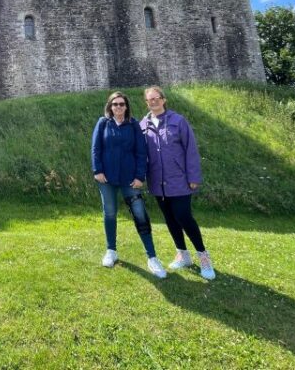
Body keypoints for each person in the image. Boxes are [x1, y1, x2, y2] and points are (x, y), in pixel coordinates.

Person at [139, 86, 215, 280]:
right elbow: (140, 153)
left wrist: (193, 177)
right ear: (146, 102)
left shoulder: (178, 121)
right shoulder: (143, 125)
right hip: (157, 182)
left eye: (157, 98)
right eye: (150, 99)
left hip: (179, 180)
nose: (154, 102)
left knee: (184, 217)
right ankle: (183, 254)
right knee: (170, 219)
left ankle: (203, 256)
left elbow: (191, 150)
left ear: (163, 100)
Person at [91, 91, 167, 278]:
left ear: (126, 107)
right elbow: (96, 148)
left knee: (140, 214)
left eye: (121, 104)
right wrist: (97, 170)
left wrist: (140, 176)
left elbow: (141, 152)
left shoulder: (133, 125)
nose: (118, 107)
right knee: (109, 213)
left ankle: (152, 257)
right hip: (106, 179)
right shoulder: (103, 123)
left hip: (129, 179)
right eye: (115, 104)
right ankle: (111, 251)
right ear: (110, 107)